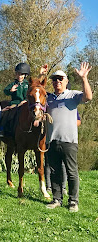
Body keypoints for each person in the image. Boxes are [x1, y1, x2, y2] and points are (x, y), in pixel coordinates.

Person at [45, 62, 93, 212]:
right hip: (52, 141)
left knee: (72, 172)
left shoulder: (73, 95)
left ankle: (73, 201)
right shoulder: (49, 98)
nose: (57, 81)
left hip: (69, 141)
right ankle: (56, 199)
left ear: (66, 81)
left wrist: (84, 78)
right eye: (54, 79)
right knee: (54, 172)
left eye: (60, 79)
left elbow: (89, 97)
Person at [0, 63, 30, 137]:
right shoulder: (13, 84)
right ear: (16, 74)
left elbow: (32, 94)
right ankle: (2, 130)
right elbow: (5, 91)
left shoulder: (27, 84)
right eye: (18, 74)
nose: (20, 76)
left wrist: (26, 100)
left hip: (25, 103)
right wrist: (10, 90)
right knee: (7, 114)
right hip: (15, 103)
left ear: (25, 75)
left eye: (21, 74)